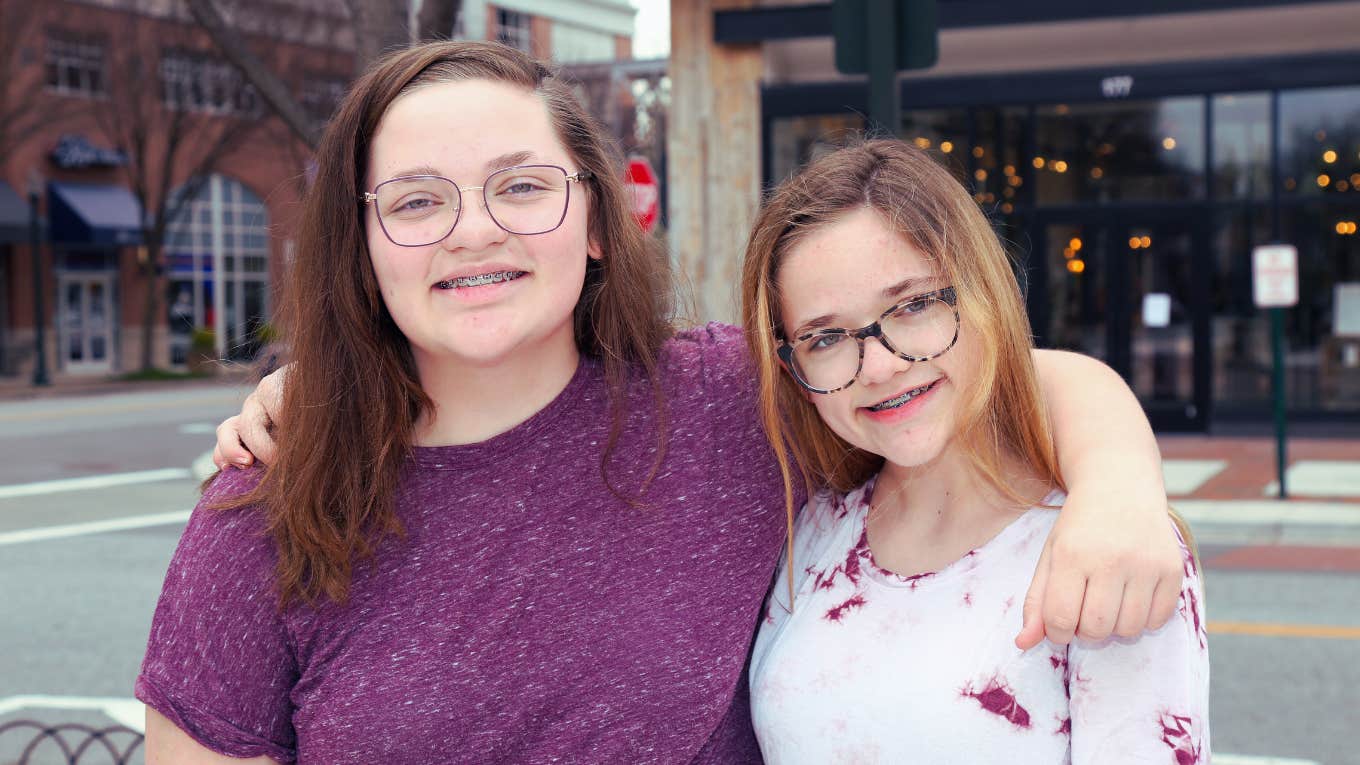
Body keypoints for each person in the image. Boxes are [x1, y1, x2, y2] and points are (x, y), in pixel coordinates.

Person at [148, 41, 1181, 763]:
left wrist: (1118, 490)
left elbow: (976, 373)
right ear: (363, 247)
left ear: (596, 221)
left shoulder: (725, 402)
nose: (472, 232)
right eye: (417, 201)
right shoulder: (268, 505)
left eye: (521, 185)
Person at [742, 139, 1208, 763]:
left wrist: (1117, 479)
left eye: (911, 306)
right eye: (825, 338)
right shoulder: (816, 528)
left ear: (986, 291)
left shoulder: (1101, 547)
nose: (877, 366)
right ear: (788, 363)